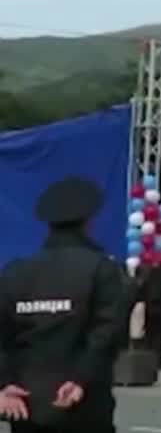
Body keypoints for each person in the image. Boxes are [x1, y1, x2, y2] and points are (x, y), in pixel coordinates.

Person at [0, 177, 128, 432]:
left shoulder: (15, 272)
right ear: (89, 222)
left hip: (25, 402)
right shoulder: (101, 269)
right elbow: (107, 333)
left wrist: (3, 383)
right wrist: (81, 378)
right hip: (83, 403)